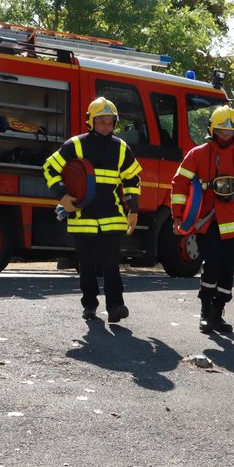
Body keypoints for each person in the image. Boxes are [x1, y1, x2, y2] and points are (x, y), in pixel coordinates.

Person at [43, 96, 141, 323]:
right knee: (86, 265)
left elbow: (132, 180)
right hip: (82, 216)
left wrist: (134, 210)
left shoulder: (121, 148)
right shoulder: (75, 145)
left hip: (112, 216)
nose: (106, 126)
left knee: (111, 264)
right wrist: (62, 195)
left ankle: (116, 306)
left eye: (110, 122)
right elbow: (49, 168)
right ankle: (89, 305)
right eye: (101, 121)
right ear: (91, 121)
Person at [170, 105, 234, 333]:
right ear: (212, 130)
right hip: (206, 222)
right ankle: (206, 311)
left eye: (230, 131)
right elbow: (179, 184)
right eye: (221, 131)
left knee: (228, 270)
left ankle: (218, 312)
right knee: (212, 265)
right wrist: (178, 215)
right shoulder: (197, 154)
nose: (225, 135)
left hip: (233, 225)